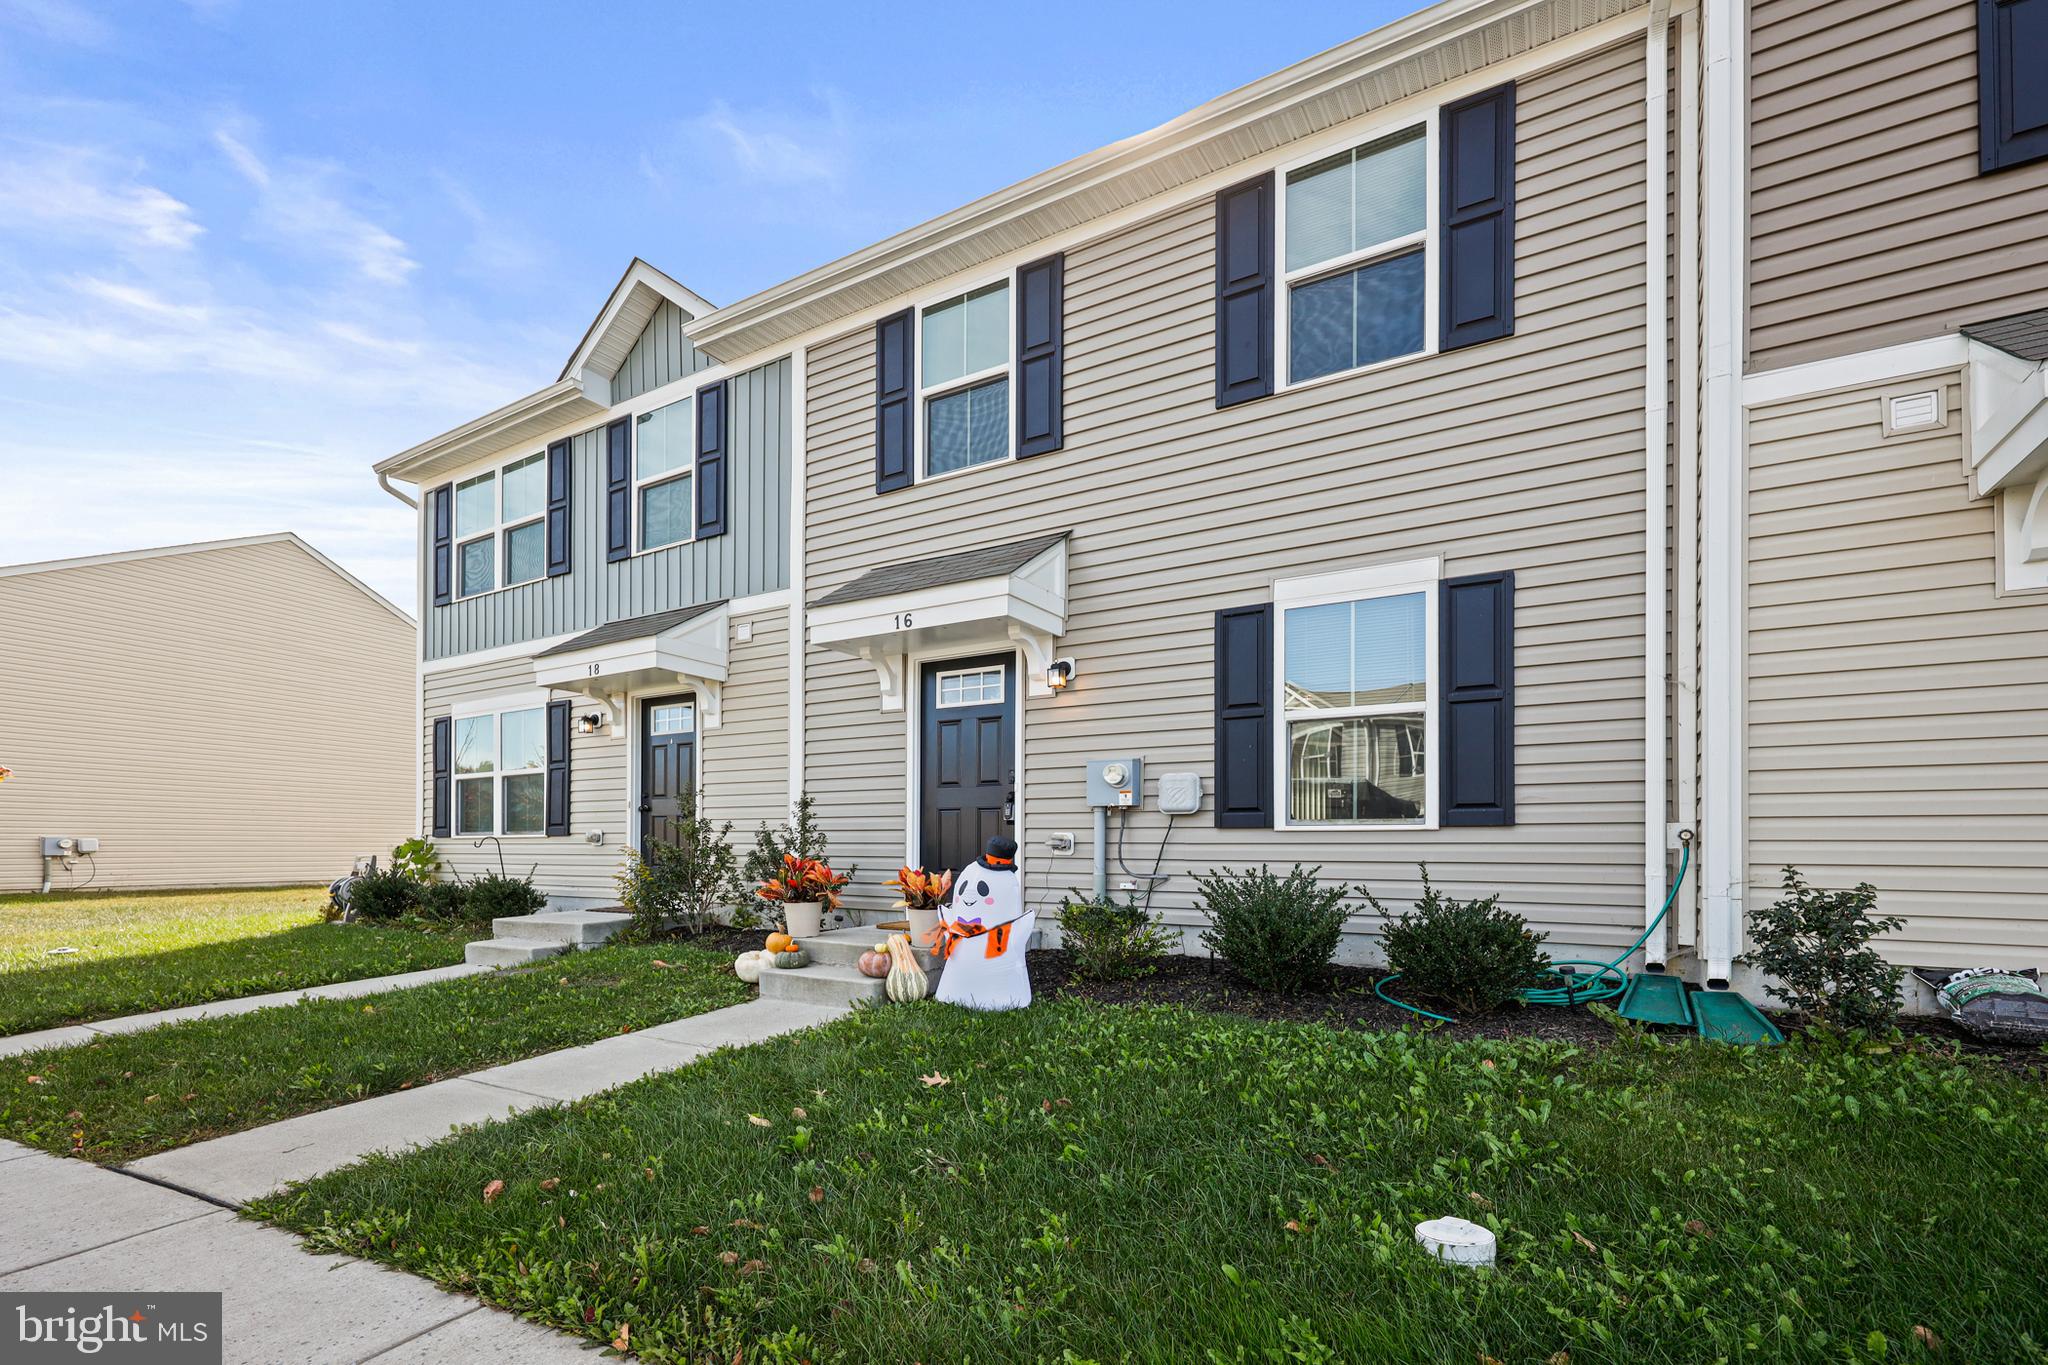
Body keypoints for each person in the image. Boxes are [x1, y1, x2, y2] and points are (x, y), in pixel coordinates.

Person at [932, 836, 1034, 1011]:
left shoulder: (1006, 881)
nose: (968, 896)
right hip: (962, 935)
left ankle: (992, 997)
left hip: (997, 943)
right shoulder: (974, 872)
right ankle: (952, 992)